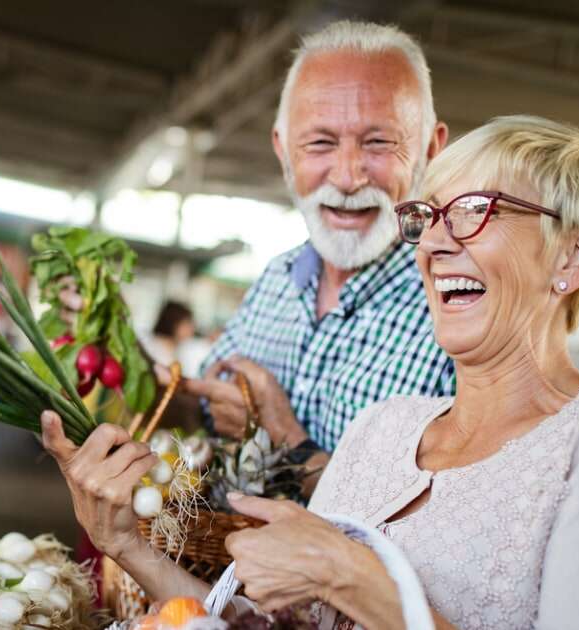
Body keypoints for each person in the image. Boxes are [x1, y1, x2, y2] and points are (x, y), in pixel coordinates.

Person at [41, 114, 579, 629]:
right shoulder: (382, 428)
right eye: (429, 216)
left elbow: (340, 583)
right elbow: (268, 627)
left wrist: (353, 578)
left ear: (574, 257)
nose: (434, 243)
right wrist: (126, 545)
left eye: (474, 211)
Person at [182, 21, 454, 478]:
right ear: (283, 150)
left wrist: (281, 432)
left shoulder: (456, 306)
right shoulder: (277, 276)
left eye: (379, 142)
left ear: (431, 148)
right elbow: (202, 410)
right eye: (321, 143)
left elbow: (439, 516)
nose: (348, 178)